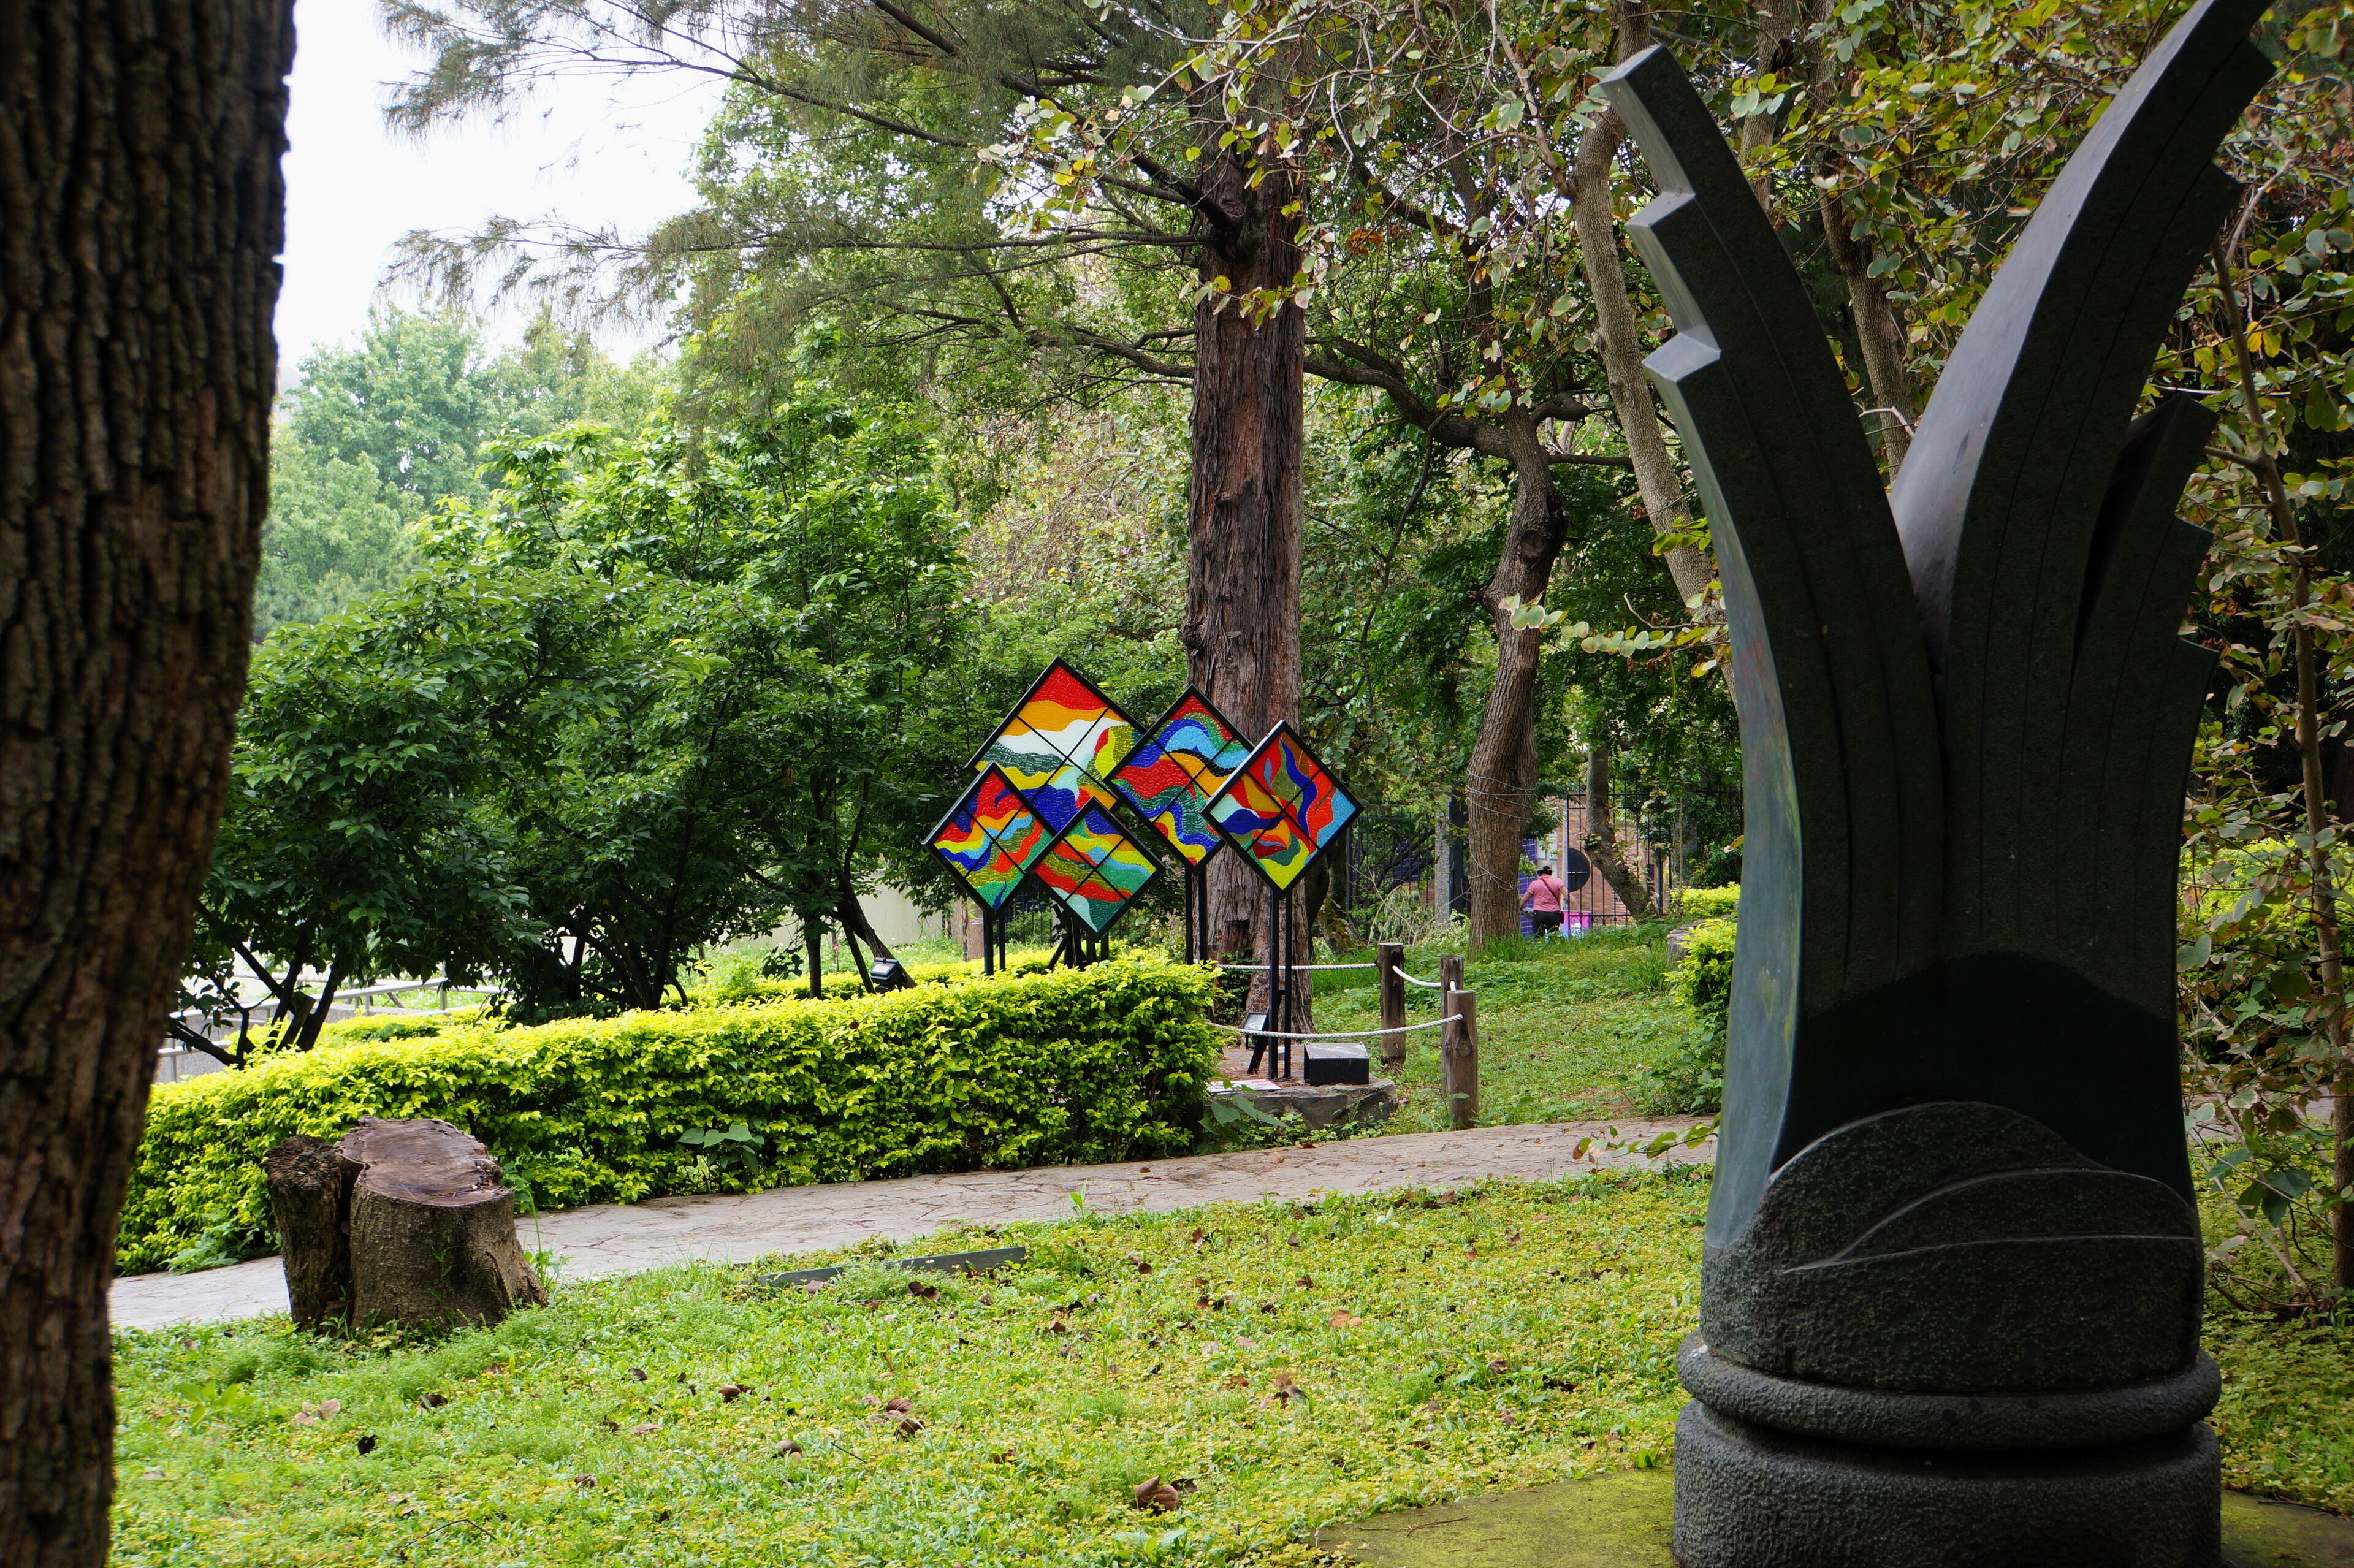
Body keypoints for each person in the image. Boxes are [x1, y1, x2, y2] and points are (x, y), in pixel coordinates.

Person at [1522, 864, 1567, 938]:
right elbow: (1568, 895)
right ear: (1550, 872)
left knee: (1538, 937)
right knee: (1554, 938)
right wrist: (1578, 908)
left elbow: (1525, 899)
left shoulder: (1534, 884)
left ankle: (1539, 945)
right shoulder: (1558, 882)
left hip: (1539, 914)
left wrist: (1520, 907)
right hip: (1554, 915)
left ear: (1539, 873)